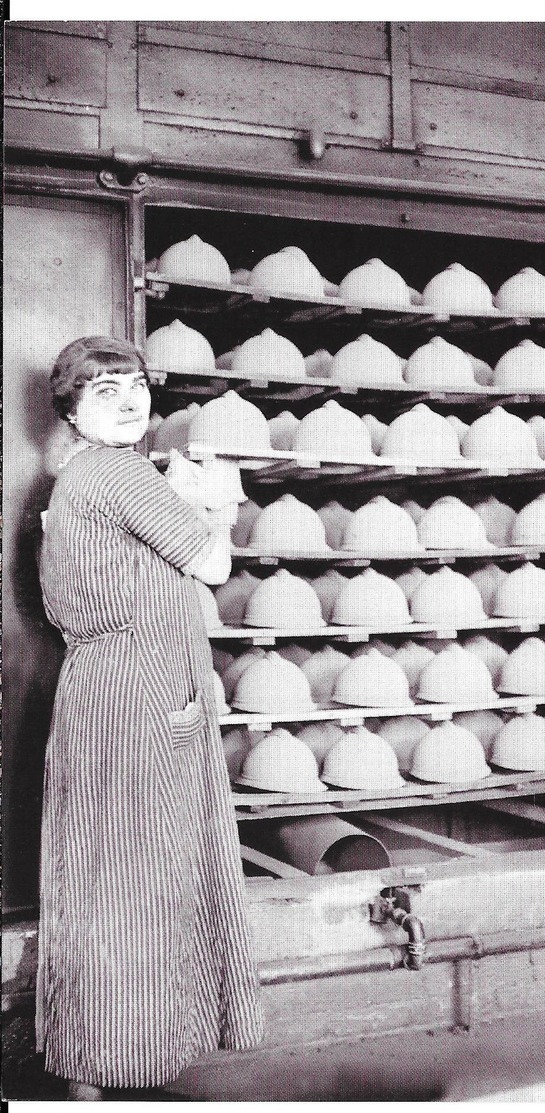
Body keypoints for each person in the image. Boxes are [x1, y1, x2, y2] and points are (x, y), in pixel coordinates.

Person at [36, 337, 263, 1100]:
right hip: (140, 692)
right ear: (71, 409)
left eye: (136, 385)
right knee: (142, 879)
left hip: (102, 688)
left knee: (105, 878)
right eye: (106, 391)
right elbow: (214, 565)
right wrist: (220, 501)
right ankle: (124, 1059)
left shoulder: (77, 477)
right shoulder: (123, 473)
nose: (132, 402)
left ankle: (91, 1067)